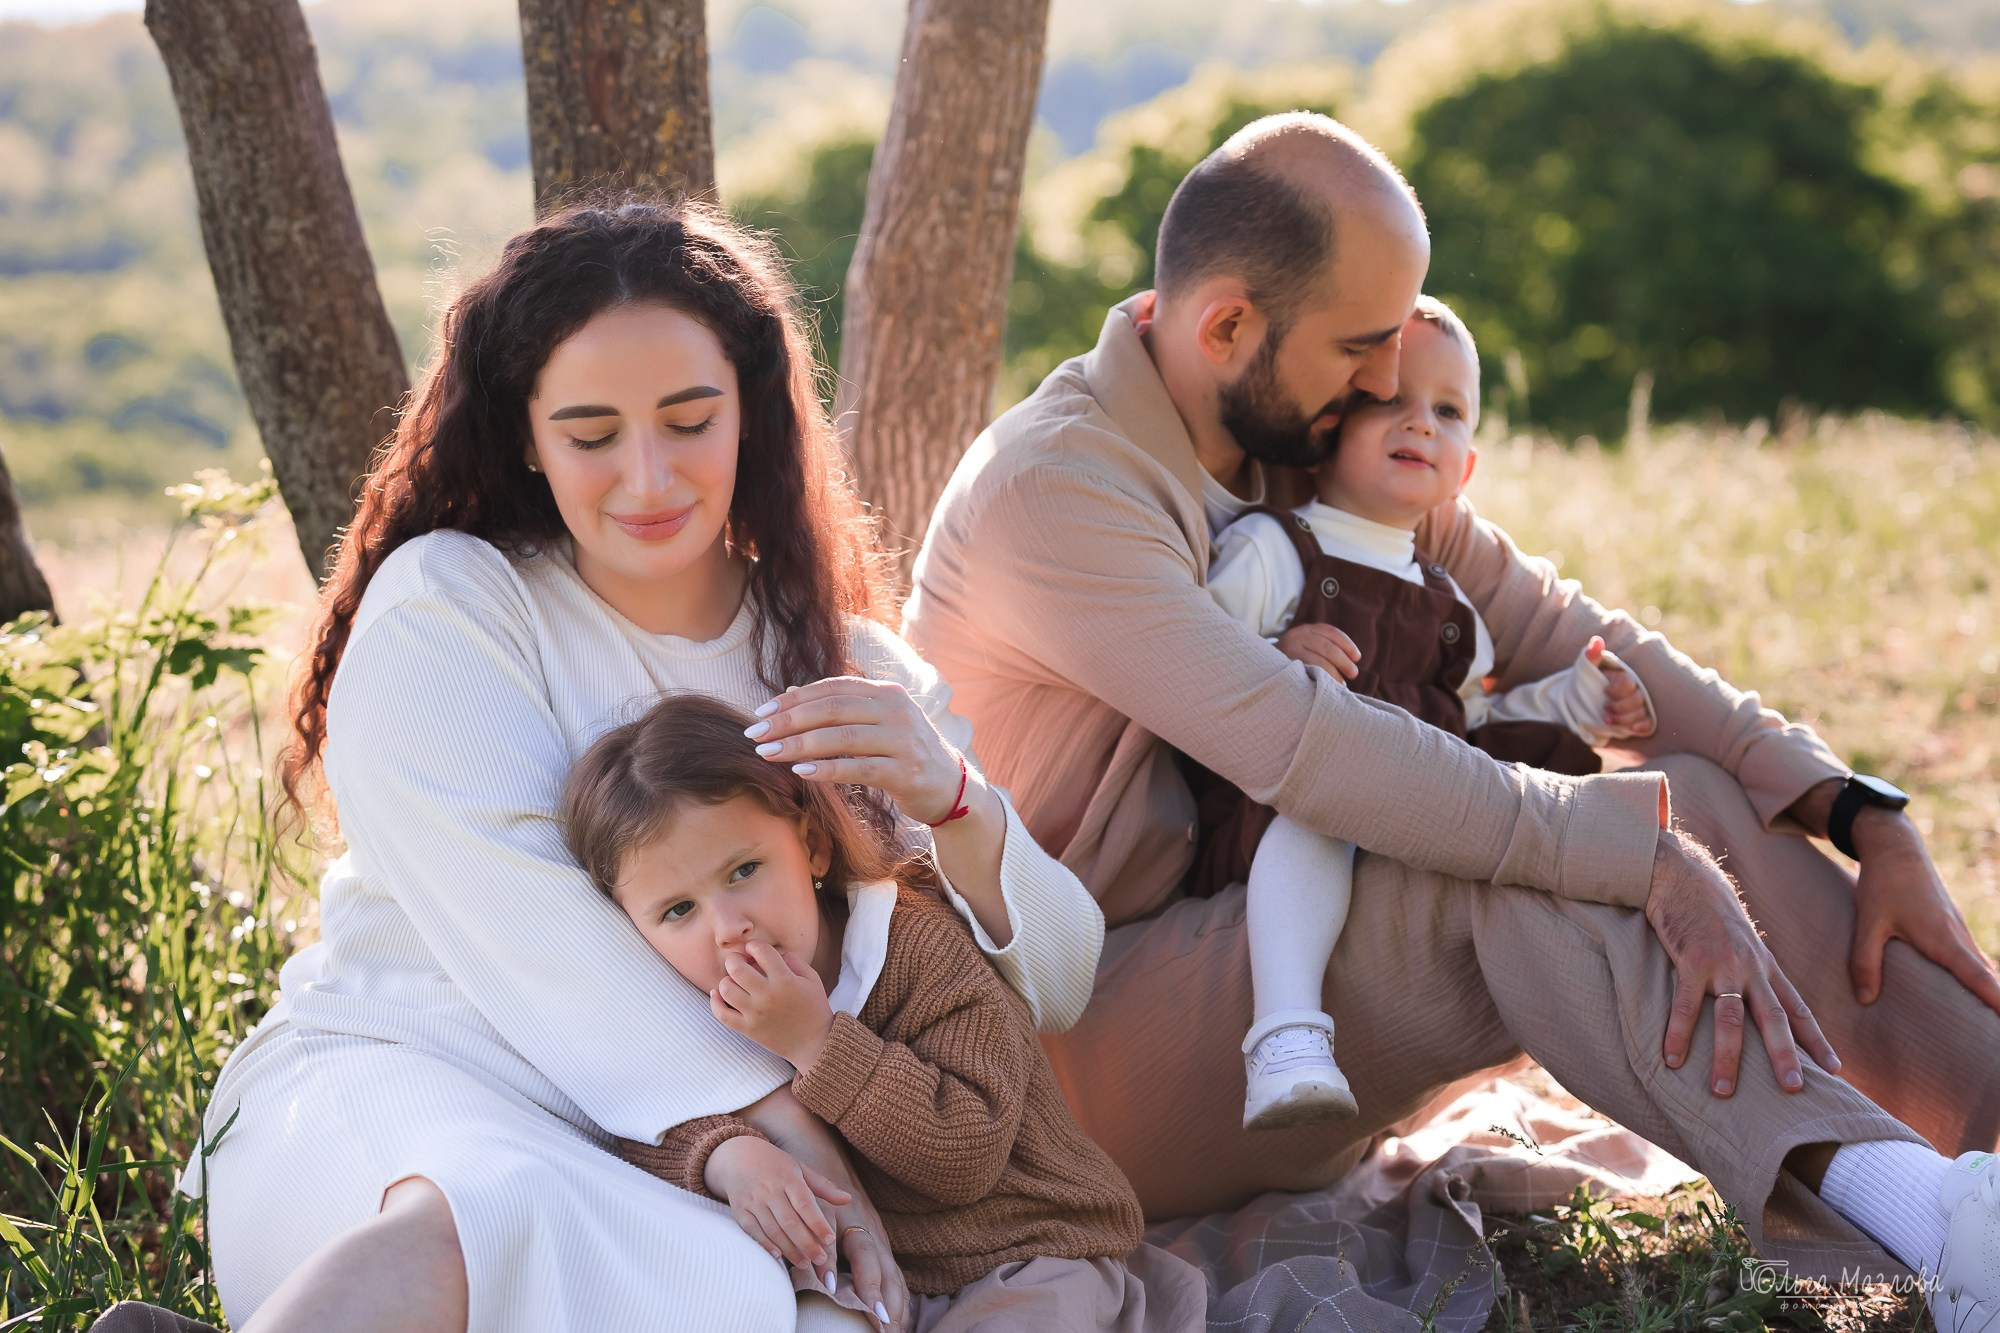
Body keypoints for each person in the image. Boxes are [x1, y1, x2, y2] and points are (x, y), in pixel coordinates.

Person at [903, 111, 2000, 1328]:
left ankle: (1987, 1135)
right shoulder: (1058, 489)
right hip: (1072, 1051)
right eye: (1361, 347)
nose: (1384, 384)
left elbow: (1561, 626)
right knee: (1501, 868)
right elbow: (1310, 749)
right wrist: (1629, 848)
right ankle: (1933, 1232)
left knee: (1684, 789)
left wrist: (1857, 808)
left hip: (1271, 964)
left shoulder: (1290, 430)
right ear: (1226, 326)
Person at [182, 197, 1107, 1333]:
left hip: (662, 1150)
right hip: (416, 1074)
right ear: (525, 435)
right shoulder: (453, 602)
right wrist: (794, 1147)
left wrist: (952, 800)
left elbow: (1060, 981)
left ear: (751, 417)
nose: (648, 476)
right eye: (590, 434)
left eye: (687, 419)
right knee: (493, 1206)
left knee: (791, 1313)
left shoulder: (842, 669)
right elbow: (533, 934)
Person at [559, 693, 1207, 1332]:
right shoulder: (691, 1001)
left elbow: (966, 1152)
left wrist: (817, 1042)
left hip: (1029, 1250)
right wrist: (724, 1153)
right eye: (678, 910)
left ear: (811, 845)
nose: (729, 927)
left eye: (744, 869)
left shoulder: (916, 943)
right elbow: (648, 1122)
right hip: (885, 1281)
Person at [1200, 295, 1658, 1130]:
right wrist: (1274, 656)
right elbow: (1190, 671)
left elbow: (1475, 723)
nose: (1421, 423)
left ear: (1466, 467)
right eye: (1392, 399)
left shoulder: (1451, 610)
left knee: (1515, 804)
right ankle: (1286, 1035)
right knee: (1330, 798)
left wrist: (1574, 702)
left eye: (1446, 411)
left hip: (1411, 833)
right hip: (1278, 819)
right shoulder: (1275, 551)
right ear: (1328, 423)